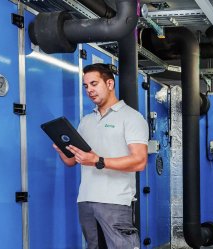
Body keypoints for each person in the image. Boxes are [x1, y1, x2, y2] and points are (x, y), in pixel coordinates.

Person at [53, 63, 147, 249]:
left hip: (115, 202)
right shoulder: (86, 121)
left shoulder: (131, 117)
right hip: (86, 200)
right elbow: (72, 161)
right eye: (86, 86)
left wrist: (99, 161)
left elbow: (140, 161)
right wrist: (61, 149)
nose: (89, 90)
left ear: (110, 84)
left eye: (94, 84)